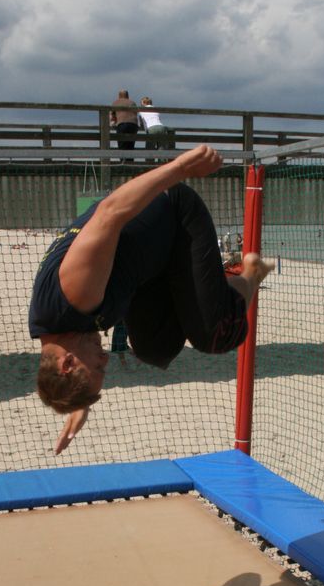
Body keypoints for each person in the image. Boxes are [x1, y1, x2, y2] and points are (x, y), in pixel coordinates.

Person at [29, 145, 274, 454]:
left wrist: (182, 167)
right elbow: (68, 369)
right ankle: (202, 292)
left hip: (176, 218)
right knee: (154, 350)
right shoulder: (52, 333)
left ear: (67, 362)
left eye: (98, 368)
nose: (105, 360)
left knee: (216, 335)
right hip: (149, 266)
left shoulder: (77, 292)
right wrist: (77, 402)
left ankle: (246, 272)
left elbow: (111, 210)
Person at [109, 89, 140, 157]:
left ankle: (123, 163)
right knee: (131, 145)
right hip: (133, 125)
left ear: (119, 96)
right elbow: (136, 113)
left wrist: (113, 123)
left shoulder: (115, 103)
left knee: (122, 145)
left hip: (122, 124)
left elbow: (112, 116)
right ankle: (130, 163)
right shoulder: (132, 102)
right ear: (127, 95)